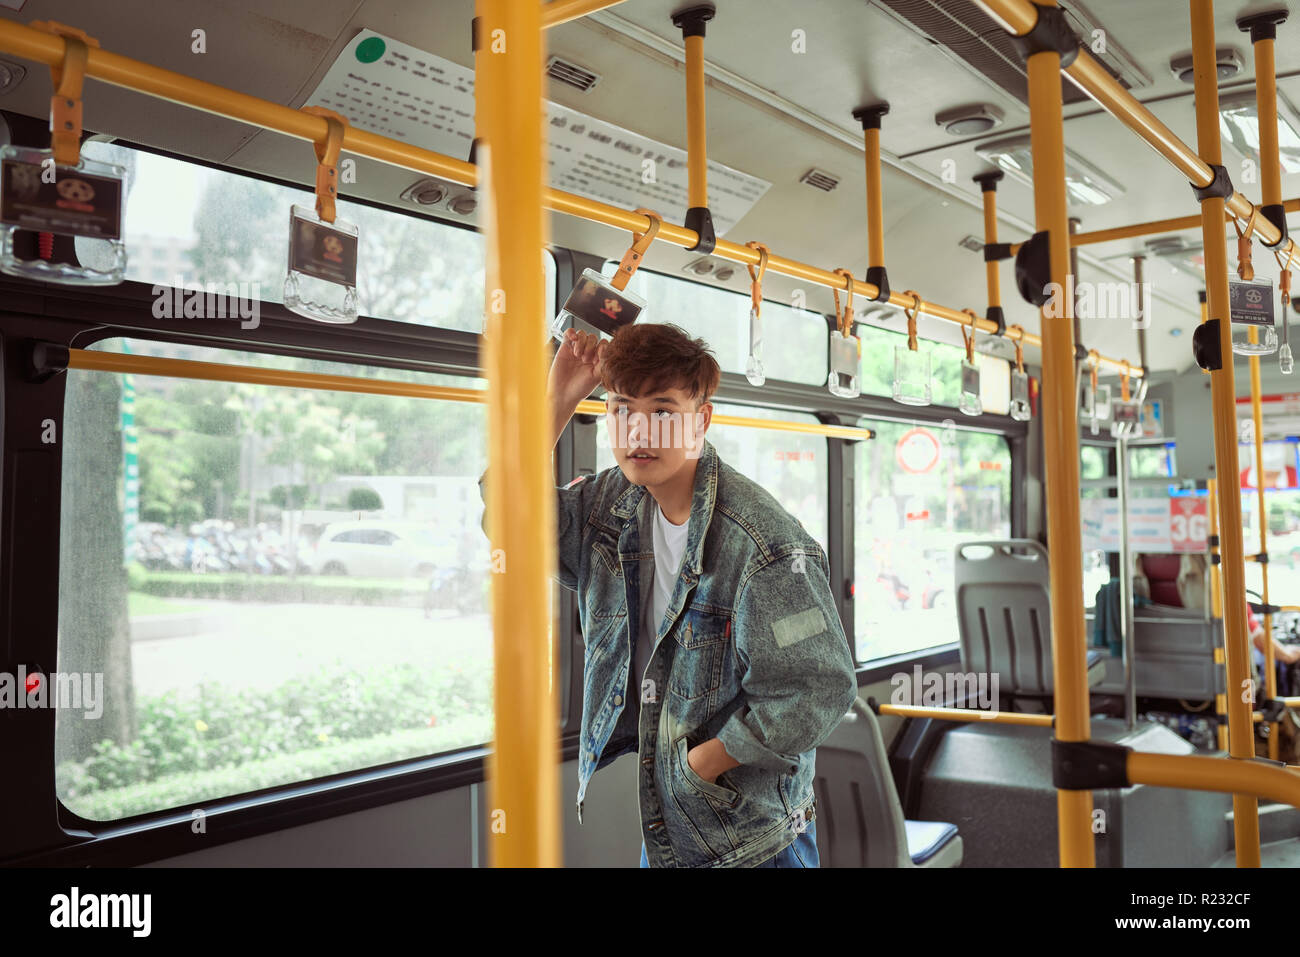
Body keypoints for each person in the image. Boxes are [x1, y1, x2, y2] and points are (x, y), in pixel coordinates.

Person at [479, 323, 857, 867]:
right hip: (668, 827)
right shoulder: (615, 504)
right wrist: (558, 397)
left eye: (662, 411)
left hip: (750, 839)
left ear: (701, 419)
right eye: (620, 408)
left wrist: (698, 765)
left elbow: (817, 689)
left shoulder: (764, 543)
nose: (639, 431)